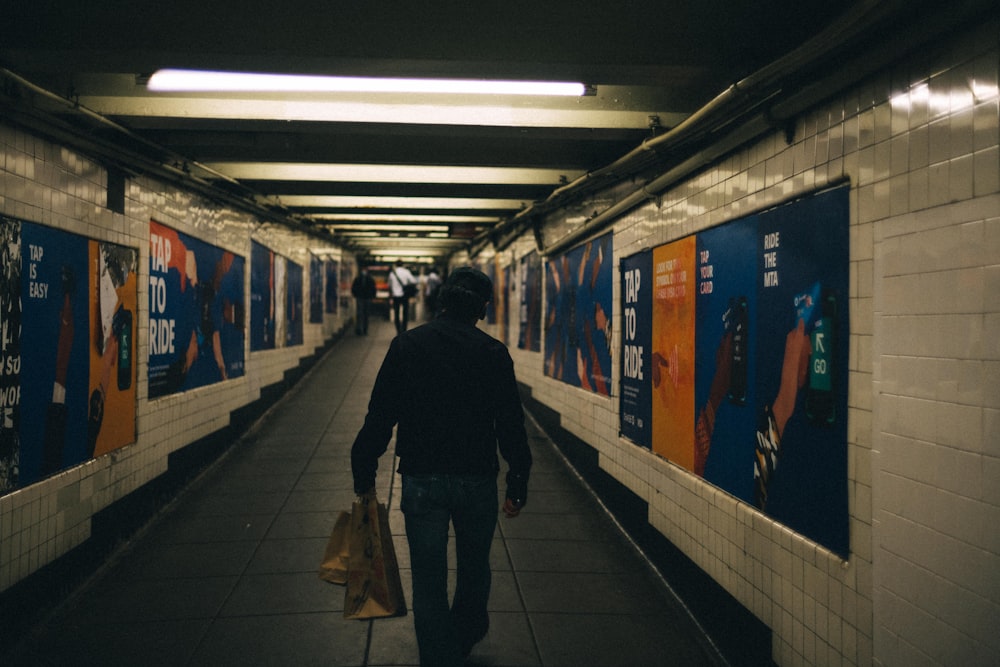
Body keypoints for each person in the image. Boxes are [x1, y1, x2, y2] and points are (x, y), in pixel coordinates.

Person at [351, 267, 532, 667]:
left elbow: (381, 415)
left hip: (422, 481)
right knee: (474, 568)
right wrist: (518, 480)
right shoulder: (492, 352)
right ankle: (464, 636)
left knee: (428, 579)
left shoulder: (407, 346)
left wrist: (363, 470)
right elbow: (510, 423)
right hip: (476, 480)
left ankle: (437, 656)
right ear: (482, 308)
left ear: (441, 301)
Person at [388, 260, 417, 333]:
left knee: (396, 313)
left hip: (395, 296)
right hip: (404, 295)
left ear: (396, 265)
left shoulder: (392, 274)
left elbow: (389, 285)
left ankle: (398, 330)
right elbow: (413, 281)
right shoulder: (406, 272)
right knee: (405, 313)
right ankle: (404, 330)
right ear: (402, 265)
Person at [351, 267, 376, 335]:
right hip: (361, 298)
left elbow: (373, 289)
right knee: (360, 314)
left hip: (366, 298)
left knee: (365, 314)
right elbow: (354, 288)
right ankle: (359, 329)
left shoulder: (369, 279)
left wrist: (372, 296)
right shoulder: (359, 279)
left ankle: (365, 329)